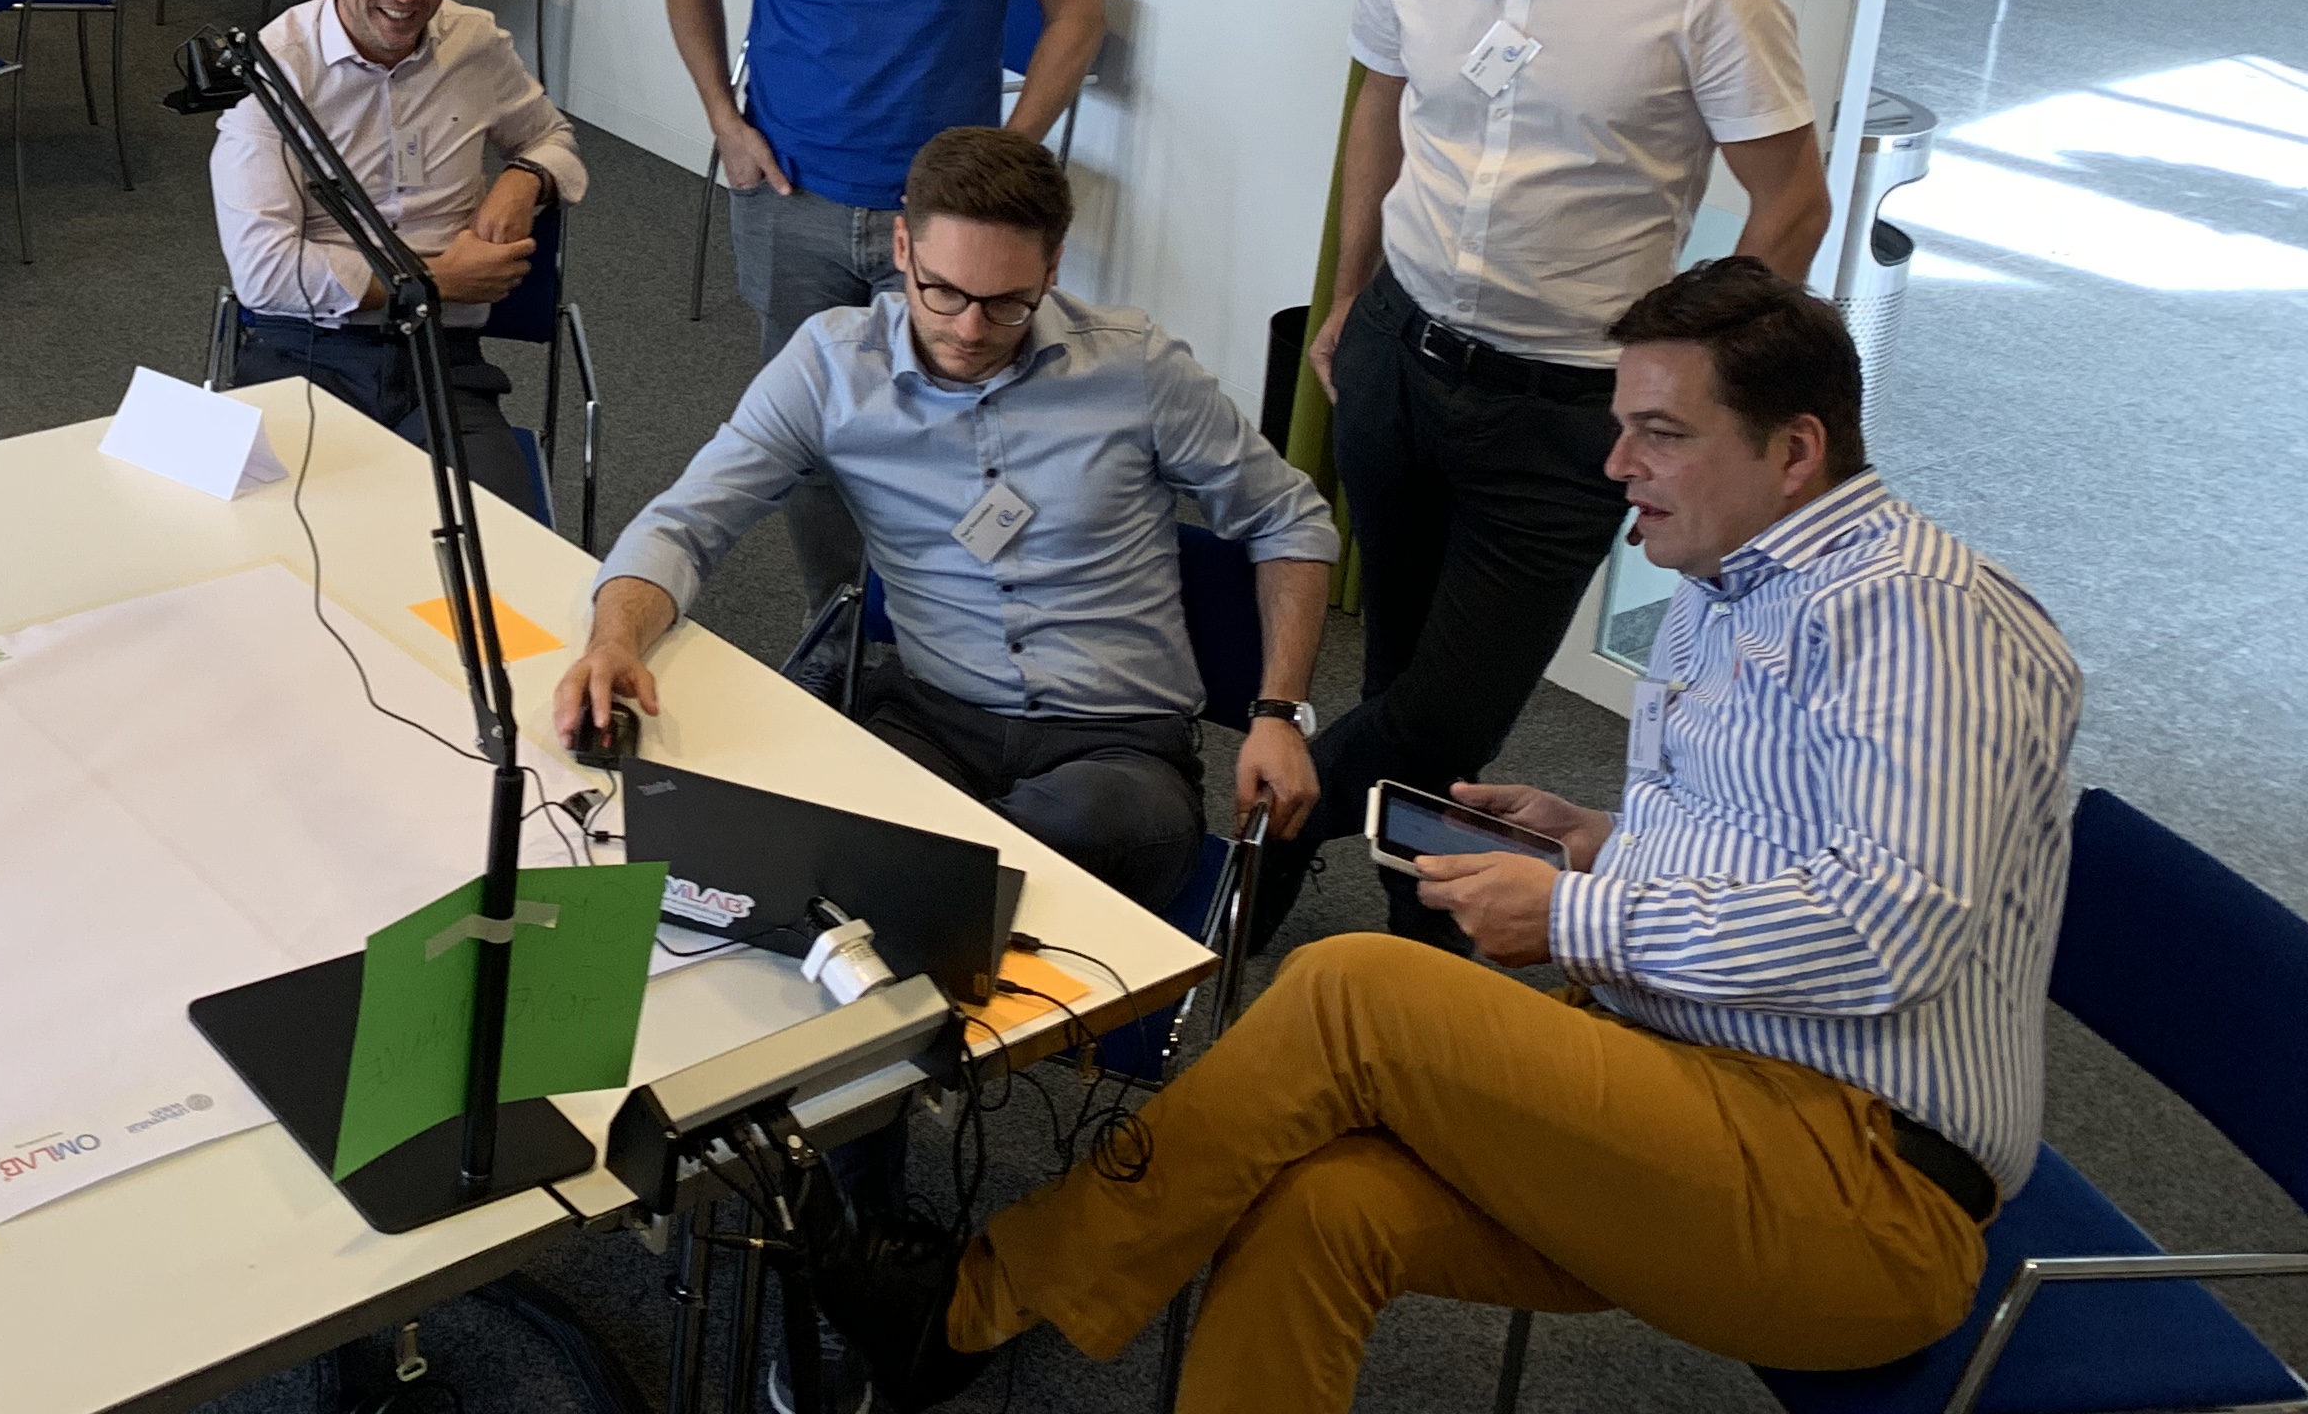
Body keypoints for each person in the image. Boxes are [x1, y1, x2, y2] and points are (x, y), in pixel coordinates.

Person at [841, 261, 2078, 1414]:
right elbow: (1785, 852)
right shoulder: (1728, 588)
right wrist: (1599, 845)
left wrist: (1573, 915)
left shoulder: (1922, 618)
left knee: (1352, 991)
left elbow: (1886, 933)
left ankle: (974, 1301)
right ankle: (980, 1310)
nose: (1616, 466)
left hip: (1864, 1192)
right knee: (1324, 1205)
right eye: (1620, 425)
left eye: (1660, 433)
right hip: (1693, 1102)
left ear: (1796, 450)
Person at [1288, 0, 1830, 941]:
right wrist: (1349, 292)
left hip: (1568, 409)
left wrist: (1691, 410)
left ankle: (1248, 857)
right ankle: (1419, 941)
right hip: (1399, 355)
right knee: (1403, 677)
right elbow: (1379, 104)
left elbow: (1793, 201)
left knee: (1443, 709)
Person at [557, 127, 1333, 914]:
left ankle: (915, 880)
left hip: (1116, 749)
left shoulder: (1136, 370)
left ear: (1052, 271)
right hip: (931, 718)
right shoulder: (831, 366)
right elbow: (686, 522)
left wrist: (1279, 714)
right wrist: (613, 640)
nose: (969, 330)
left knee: (1048, 828)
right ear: (903, 248)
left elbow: (1290, 520)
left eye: (1006, 303)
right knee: (860, 829)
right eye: (944, 293)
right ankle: (936, 886)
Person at [665, 0, 1106, 616]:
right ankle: (838, 625)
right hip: (793, 199)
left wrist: (1012, 154)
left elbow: (1078, 8)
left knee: (958, 431)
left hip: (948, 219)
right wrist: (725, 122)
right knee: (814, 435)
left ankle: (944, 632)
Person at [211, 0, 587, 514]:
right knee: (277, 544)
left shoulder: (473, 43)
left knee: (500, 547)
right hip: (305, 353)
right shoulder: (272, 71)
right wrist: (435, 281)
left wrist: (525, 178)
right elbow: (263, 273)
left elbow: (553, 139)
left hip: (441, 362)